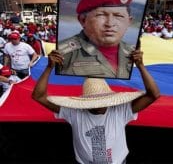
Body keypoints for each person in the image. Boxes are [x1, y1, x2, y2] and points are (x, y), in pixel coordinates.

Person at [32, 48, 160, 164]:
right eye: (94, 102)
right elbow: (39, 97)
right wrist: (49, 67)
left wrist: (140, 65)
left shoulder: (121, 110)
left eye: (102, 101)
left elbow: (153, 95)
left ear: (110, 100)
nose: (99, 106)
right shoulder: (74, 112)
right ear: (85, 102)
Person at [57, 0, 138, 79]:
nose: (110, 24)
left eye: (118, 16)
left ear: (129, 21)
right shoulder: (62, 53)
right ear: (83, 20)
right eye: (101, 15)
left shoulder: (133, 53)